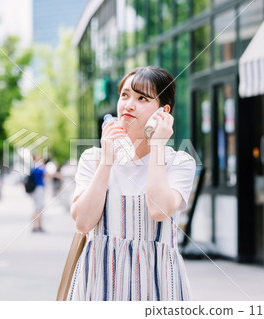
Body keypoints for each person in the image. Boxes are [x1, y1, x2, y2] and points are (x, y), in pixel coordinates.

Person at [67, 66, 196, 301]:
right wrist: (107, 159)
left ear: (163, 112)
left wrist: (157, 145)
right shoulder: (93, 158)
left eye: (142, 98)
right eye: (124, 95)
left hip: (157, 284)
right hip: (99, 281)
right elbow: (84, 222)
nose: (128, 104)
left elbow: (158, 211)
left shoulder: (179, 162)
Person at [30, 154, 46, 232]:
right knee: (38, 208)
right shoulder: (38, 166)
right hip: (38, 188)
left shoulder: (33, 166)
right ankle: (38, 226)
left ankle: (36, 225)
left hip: (35, 189)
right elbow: (45, 173)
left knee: (36, 207)